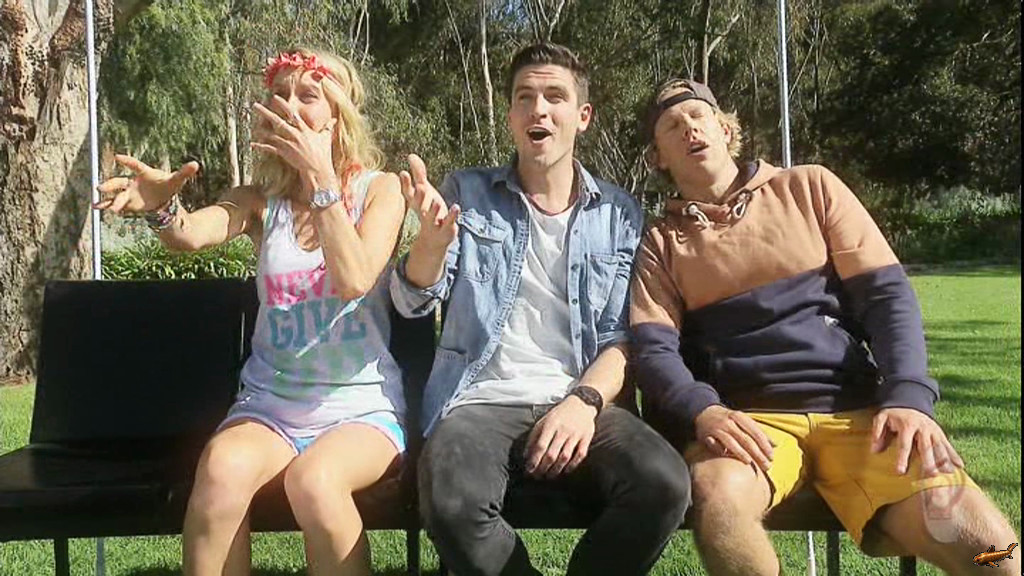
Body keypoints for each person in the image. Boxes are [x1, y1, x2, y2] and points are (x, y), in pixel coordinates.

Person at [630, 77, 1020, 575]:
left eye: (698, 117)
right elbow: (654, 349)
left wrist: (907, 395)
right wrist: (704, 411)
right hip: (750, 426)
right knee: (719, 500)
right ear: (658, 157)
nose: (690, 129)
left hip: (858, 416)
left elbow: (886, 296)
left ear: (725, 131)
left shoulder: (810, 187)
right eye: (672, 126)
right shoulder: (660, 243)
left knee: (996, 551)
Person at [94, 48, 407, 576]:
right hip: (271, 405)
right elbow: (192, 234)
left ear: (337, 115)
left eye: (307, 96)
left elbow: (354, 279)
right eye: (279, 95)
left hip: (359, 409)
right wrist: (162, 208)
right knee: (220, 471)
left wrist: (321, 178)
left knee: (316, 482)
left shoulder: (381, 190)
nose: (289, 106)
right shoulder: (261, 200)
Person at [390, 43, 691, 576]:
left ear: (583, 116)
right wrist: (430, 248)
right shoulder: (467, 192)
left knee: (663, 484)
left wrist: (583, 402)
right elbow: (413, 302)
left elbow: (621, 338)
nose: (539, 109)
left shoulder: (618, 213)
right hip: (479, 399)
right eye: (525, 97)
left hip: (583, 399)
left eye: (555, 96)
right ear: (510, 115)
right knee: (452, 504)